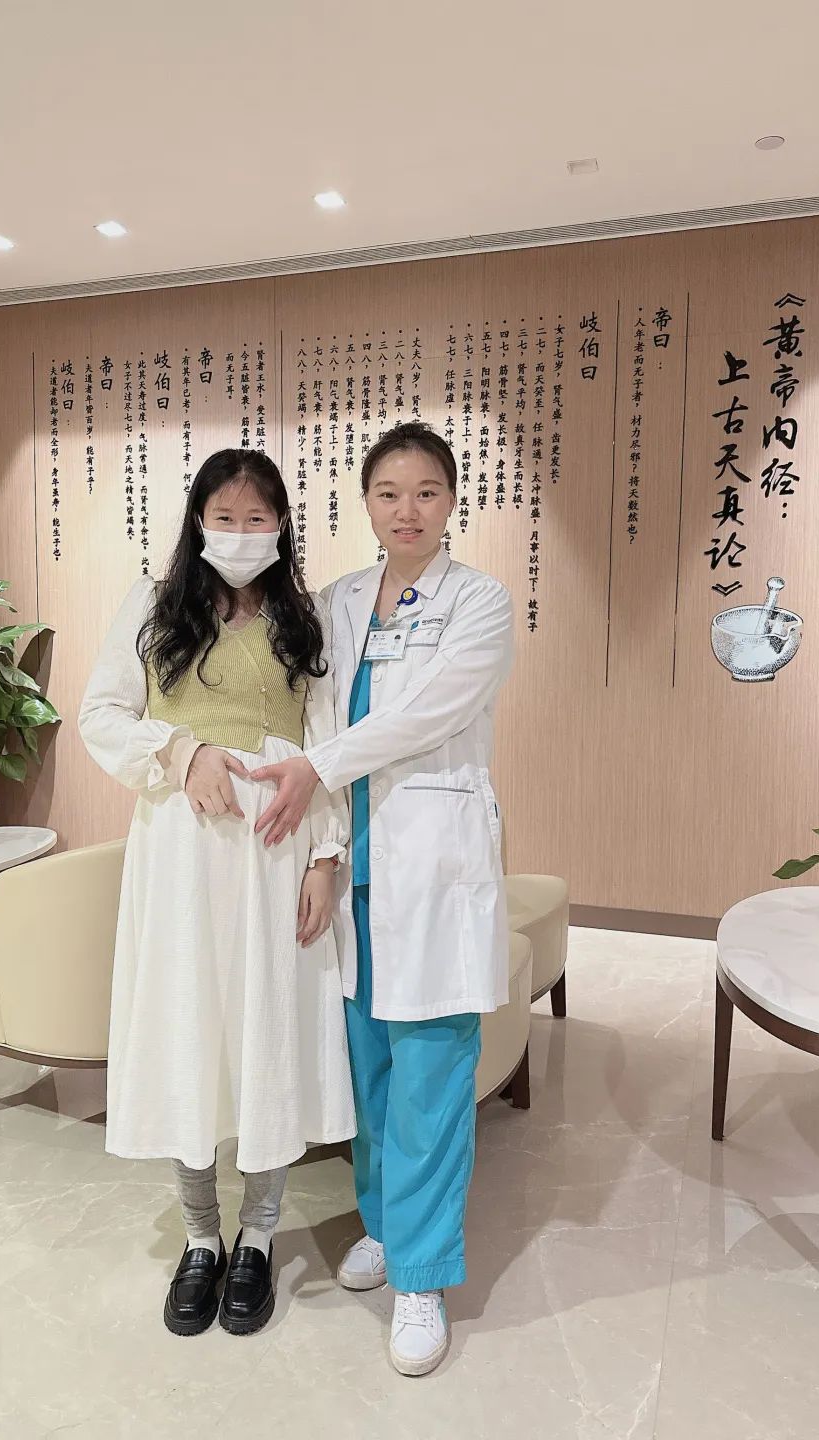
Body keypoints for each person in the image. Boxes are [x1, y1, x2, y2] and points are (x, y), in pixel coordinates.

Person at [251, 421, 514, 1376]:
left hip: (434, 862)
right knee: (368, 1069)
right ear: (365, 503)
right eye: (390, 493)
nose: (408, 510)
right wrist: (324, 848)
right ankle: (385, 1224)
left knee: (431, 1072)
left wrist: (316, 768)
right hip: (354, 862)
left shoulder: (480, 602)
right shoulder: (337, 602)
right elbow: (317, 711)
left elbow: (426, 714)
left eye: (427, 492)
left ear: (452, 503)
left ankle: (422, 1276)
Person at [79, 448, 354, 1341]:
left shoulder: (303, 621)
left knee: (269, 1031)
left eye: (256, 518)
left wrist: (327, 860)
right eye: (224, 517)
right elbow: (99, 715)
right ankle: (202, 1236)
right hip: (181, 856)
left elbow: (327, 744)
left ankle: (259, 1235)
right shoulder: (154, 607)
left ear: (281, 526)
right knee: (187, 1028)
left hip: (276, 851)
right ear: (198, 521)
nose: (240, 533)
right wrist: (180, 751)